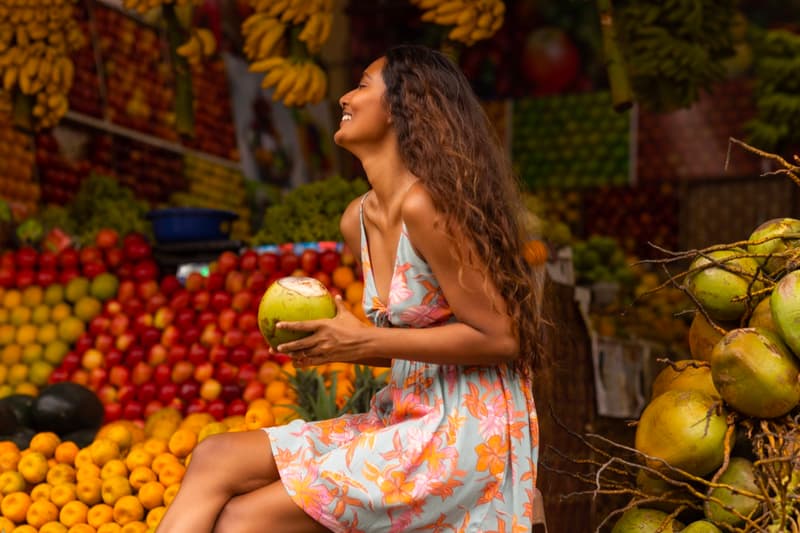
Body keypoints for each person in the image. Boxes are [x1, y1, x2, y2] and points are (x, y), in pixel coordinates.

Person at [155, 44, 547, 533]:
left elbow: (502, 338)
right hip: (404, 417)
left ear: (404, 106)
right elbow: (411, 347)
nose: (344, 97)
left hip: (464, 431)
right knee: (215, 456)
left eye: (362, 85)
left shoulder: (428, 207)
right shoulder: (356, 219)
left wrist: (361, 340)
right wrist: (335, 343)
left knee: (244, 520)